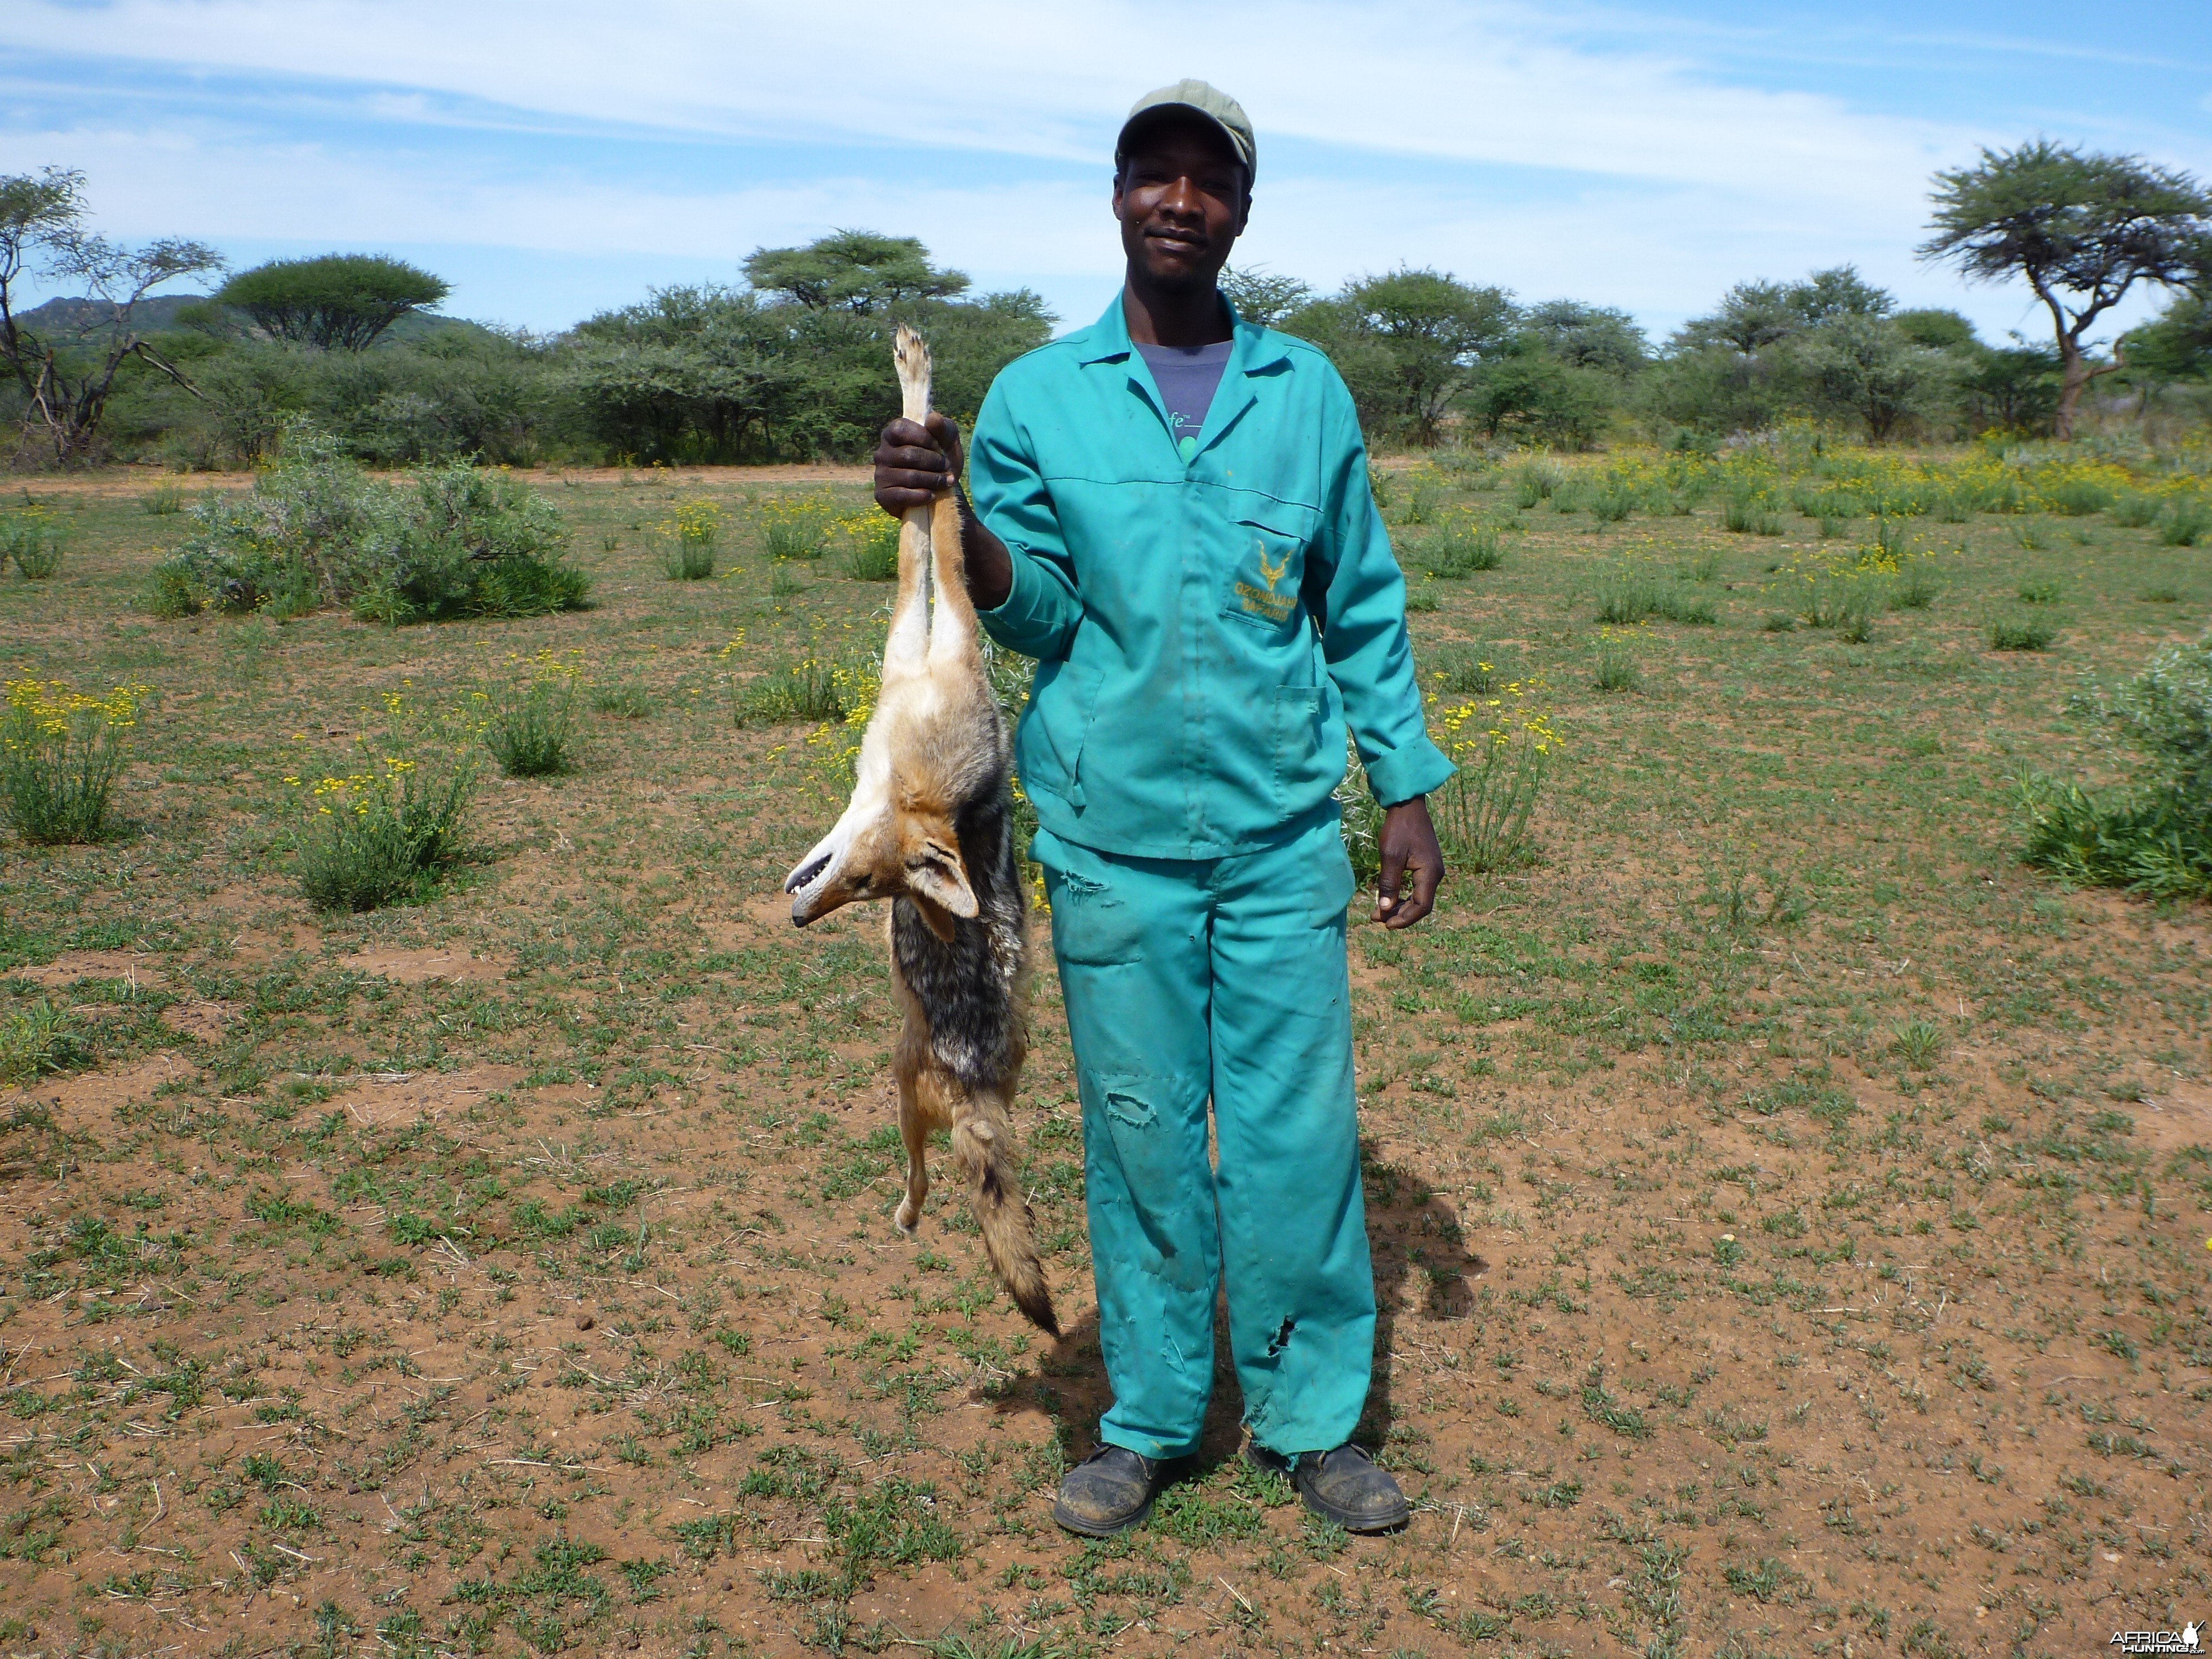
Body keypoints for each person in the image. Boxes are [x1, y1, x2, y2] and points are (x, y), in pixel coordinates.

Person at [872, 79, 1451, 1537]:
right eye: (1155, 174)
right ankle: (1146, 1423)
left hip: (1273, 836)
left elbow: (1360, 604)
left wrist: (1405, 789)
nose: (1180, 199)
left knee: (1298, 1135)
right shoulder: (1042, 398)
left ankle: (1314, 1424)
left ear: (1243, 211)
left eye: (1211, 179)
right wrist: (959, 525)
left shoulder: (1301, 391)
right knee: (1141, 1132)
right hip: (1115, 837)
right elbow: (1042, 619)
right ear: (1118, 197)